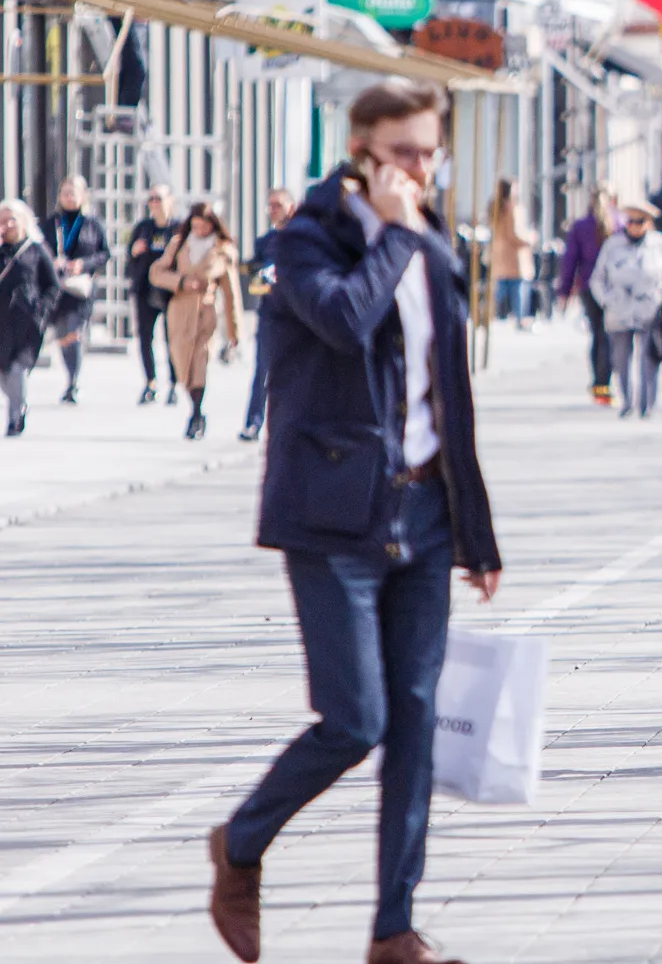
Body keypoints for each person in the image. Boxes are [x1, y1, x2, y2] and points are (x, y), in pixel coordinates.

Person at [206, 78, 500, 964]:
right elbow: (342, 320)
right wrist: (396, 234)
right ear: (364, 151)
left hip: (425, 509)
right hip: (331, 515)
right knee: (357, 717)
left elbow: (451, 393)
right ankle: (241, 840)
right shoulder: (306, 239)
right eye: (406, 151)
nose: (422, 167)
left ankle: (393, 927)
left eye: (430, 150)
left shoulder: (433, 241)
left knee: (414, 722)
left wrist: (477, 536)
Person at [150, 202, 242, 441]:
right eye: (195, 225)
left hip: (206, 312)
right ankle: (194, 405)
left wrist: (235, 333)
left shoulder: (223, 250)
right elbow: (157, 272)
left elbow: (231, 293)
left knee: (200, 360)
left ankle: (196, 413)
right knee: (181, 362)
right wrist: (180, 282)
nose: (199, 230)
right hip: (180, 310)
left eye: (204, 226)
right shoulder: (179, 244)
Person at [590, 202, 662, 418]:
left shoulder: (661, 244)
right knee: (621, 359)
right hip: (619, 310)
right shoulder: (613, 245)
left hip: (650, 308)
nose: (634, 226)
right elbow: (597, 279)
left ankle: (647, 404)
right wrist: (606, 300)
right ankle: (627, 401)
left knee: (649, 358)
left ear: (649, 223)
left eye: (639, 222)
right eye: (630, 221)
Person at [40, 176, 109, 404]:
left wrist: (83, 264)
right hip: (57, 287)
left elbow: (104, 254)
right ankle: (70, 376)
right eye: (65, 193)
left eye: (73, 193)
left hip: (80, 289)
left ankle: (73, 381)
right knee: (62, 333)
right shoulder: (52, 224)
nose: (69, 197)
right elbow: (40, 251)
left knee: (73, 331)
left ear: (82, 196)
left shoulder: (92, 224)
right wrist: (54, 263)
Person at [240, 188, 297, 441]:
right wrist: (256, 275)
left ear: (291, 208)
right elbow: (255, 277)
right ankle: (254, 422)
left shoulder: (302, 239)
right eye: (270, 205)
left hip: (297, 315)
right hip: (271, 314)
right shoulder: (265, 242)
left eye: (279, 205)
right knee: (262, 370)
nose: (274, 210)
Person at [0, 200, 60, 437]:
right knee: (4, 372)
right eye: (4, 220)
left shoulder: (36, 250)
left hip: (28, 324)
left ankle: (15, 417)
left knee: (17, 369)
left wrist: (43, 311)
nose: (9, 225)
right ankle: (19, 403)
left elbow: (53, 286)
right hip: (2, 324)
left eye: (13, 219)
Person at [557, 183, 618, 405]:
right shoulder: (618, 223)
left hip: (588, 286)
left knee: (597, 335)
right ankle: (605, 383)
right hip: (614, 287)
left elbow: (570, 260)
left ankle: (599, 384)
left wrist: (564, 290)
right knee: (609, 335)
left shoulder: (580, 226)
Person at [130, 183, 183, 405]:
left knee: (172, 339)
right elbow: (129, 257)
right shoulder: (143, 227)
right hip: (145, 289)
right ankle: (151, 382)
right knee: (145, 337)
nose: (154, 203)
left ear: (170, 200)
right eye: (151, 199)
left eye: (158, 198)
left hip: (171, 291)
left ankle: (174, 383)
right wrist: (134, 252)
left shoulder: (178, 228)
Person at [486, 178, 536, 331]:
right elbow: (515, 233)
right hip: (514, 256)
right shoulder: (513, 209)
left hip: (499, 254)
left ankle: (486, 315)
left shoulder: (494, 207)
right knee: (518, 289)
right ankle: (520, 319)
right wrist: (530, 238)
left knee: (499, 289)